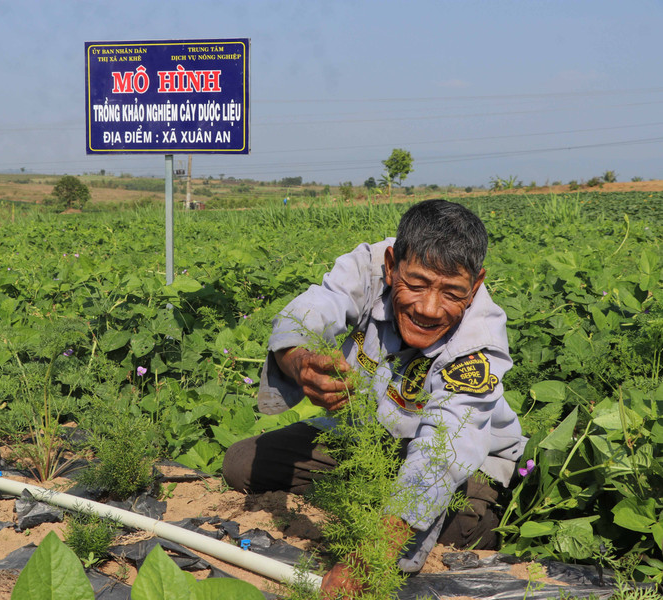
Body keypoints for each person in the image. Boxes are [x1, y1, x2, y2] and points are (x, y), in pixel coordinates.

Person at [222, 199, 527, 595]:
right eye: (416, 284)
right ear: (391, 265)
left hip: (462, 465)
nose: (429, 308)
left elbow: (443, 452)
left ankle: (388, 512)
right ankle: (380, 502)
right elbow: (311, 310)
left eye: (452, 292)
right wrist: (300, 362)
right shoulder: (366, 270)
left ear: (476, 285)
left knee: (461, 524)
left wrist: (369, 558)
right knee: (243, 463)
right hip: (368, 439)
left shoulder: (477, 344)